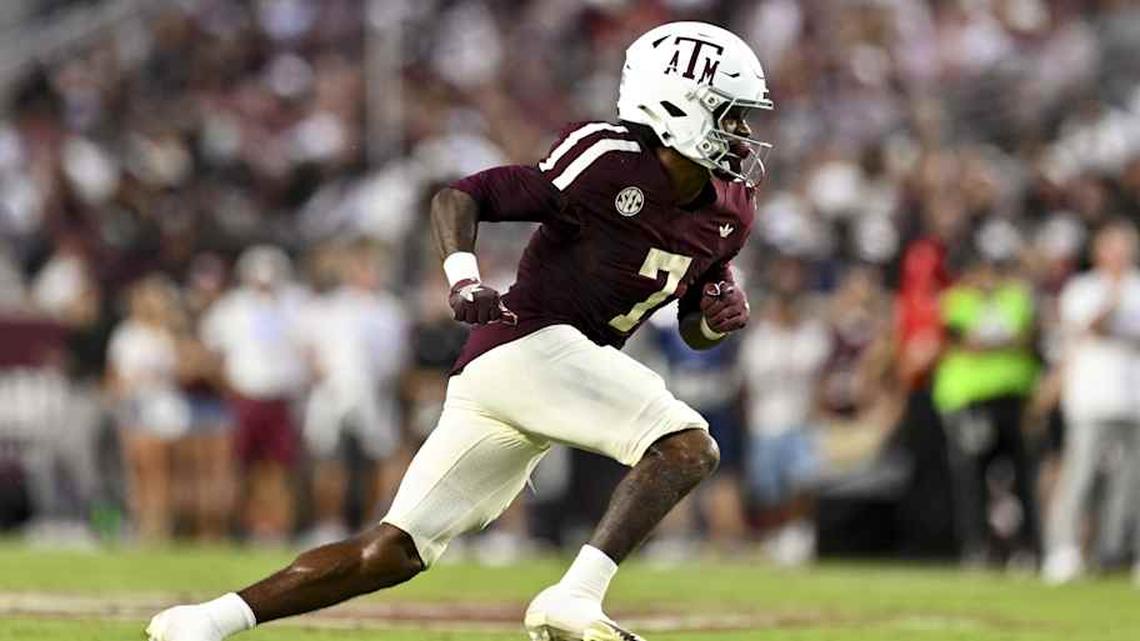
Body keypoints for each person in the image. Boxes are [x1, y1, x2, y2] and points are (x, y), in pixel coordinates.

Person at [146, 21, 768, 641]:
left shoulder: (730, 207)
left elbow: (694, 320)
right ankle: (573, 597)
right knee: (687, 445)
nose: (743, 135)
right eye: (731, 115)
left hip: (548, 368)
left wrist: (713, 321)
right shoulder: (609, 157)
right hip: (527, 346)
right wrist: (463, 279)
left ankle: (201, 622)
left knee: (390, 552)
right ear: (675, 103)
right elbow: (463, 197)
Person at [1044, 220, 1140, 584]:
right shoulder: (1083, 289)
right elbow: (1091, 328)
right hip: (1091, 399)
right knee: (1080, 477)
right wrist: (1112, 301)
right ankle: (1062, 550)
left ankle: (1116, 552)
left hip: (1134, 400)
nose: (1122, 254)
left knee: (1131, 485)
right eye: (1115, 246)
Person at [932, 252, 1040, 566]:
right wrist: (1004, 342)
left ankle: (1026, 549)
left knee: (1022, 478)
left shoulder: (1016, 299)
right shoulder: (957, 301)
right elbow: (965, 343)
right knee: (972, 480)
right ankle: (977, 548)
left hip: (1013, 399)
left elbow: (1026, 338)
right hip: (971, 401)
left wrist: (990, 343)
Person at [199, 246, 308, 541]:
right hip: (244, 397)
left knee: (279, 468)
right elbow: (212, 354)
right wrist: (228, 387)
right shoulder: (232, 308)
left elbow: (307, 349)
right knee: (236, 466)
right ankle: (232, 527)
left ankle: (275, 528)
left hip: (281, 396)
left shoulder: (294, 305)